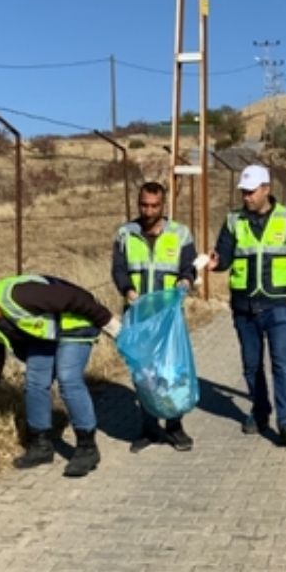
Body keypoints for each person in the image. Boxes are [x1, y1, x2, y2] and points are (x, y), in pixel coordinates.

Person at [0, 274, 121, 478]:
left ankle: (87, 448)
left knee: (68, 378)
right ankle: (41, 445)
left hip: (74, 323)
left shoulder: (22, 295)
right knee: (34, 382)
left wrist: (109, 324)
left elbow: (75, 297)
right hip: (45, 332)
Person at [208, 164, 286, 446]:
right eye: (243, 192)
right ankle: (260, 412)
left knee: (281, 363)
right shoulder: (234, 220)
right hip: (244, 307)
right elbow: (223, 254)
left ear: (266, 190)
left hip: (278, 305)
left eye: (251, 192)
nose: (246, 197)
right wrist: (216, 263)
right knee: (251, 366)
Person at [111, 181, 198, 453]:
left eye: (154, 205)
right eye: (144, 205)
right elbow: (118, 269)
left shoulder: (181, 234)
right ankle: (148, 428)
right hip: (139, 317)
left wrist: (186, 281)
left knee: (171, 371)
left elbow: (189, 268)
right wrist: (127, 290)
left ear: (163, 205)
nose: (148, 211)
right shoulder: (125, 234)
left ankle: (174, 426)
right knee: (144, 374)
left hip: (168, 317)